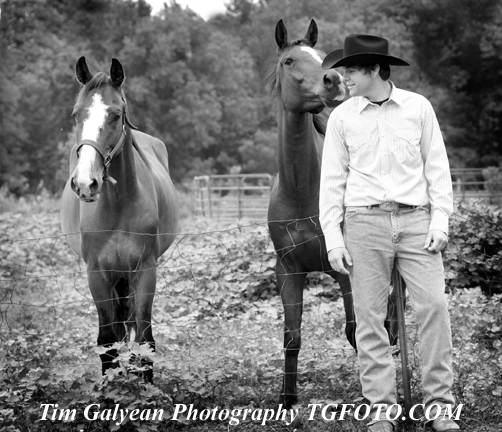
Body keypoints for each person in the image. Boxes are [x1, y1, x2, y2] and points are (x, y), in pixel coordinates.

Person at [319, 34, 460, 432]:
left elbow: (437, 169)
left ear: (375, 70)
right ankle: (381, 409)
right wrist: (333, 237)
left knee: (434, 308)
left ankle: (439, 408)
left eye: (349, 69)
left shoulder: (418, 108)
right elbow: (331, 182)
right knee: (369, 319)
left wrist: (439, 221)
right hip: (363, 224)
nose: (342, 76)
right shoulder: (343, 118)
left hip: (417, 222)